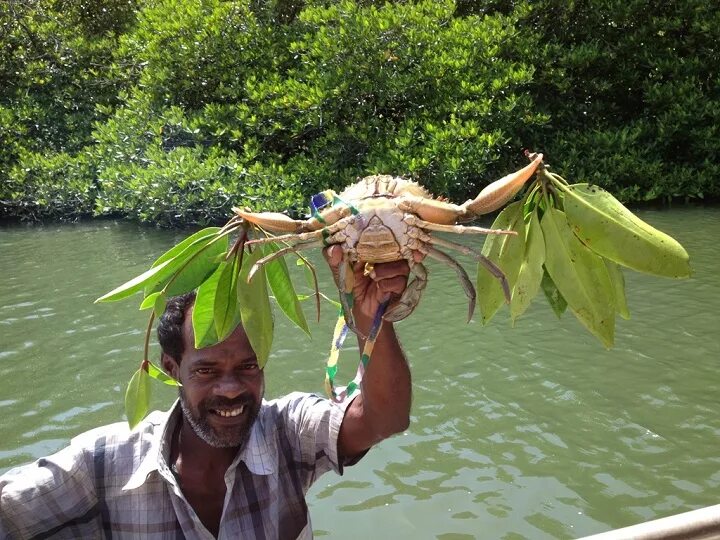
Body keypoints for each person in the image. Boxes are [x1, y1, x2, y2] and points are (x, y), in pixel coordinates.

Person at [0, 246, 413, 539]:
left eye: (248, 367)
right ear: (171, 369)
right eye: (207, 370)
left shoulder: (288, 431)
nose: (231, 389)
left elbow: (384, 418)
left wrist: (370, 314)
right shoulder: (103, 465)